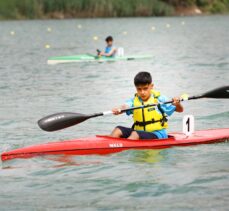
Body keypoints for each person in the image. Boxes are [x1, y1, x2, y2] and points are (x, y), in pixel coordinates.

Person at [110, 72, 184, 140]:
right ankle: (110, 148)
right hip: (138, 132)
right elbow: (125, 106)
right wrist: (119, 109)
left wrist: (177, 103)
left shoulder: (159, 99)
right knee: (118, 130)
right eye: (139, 89)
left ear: (151, 86)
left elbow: (180, 110)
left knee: (135, 134)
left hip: (157, 134)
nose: (142, 92)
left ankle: (124, 148)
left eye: (145, 89)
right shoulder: (134, 101)